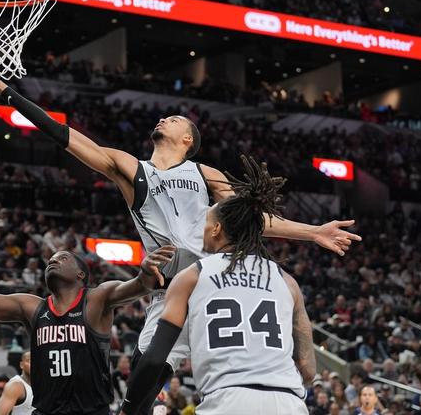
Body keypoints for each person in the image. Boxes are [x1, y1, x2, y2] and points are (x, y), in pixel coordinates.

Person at [0, 65, 361, 414]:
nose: (165, 118)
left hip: (217, 278)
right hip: (174, 286)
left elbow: (251, 219)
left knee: (235, 375)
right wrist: (3, 89)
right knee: (143, 377)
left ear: (188, 140)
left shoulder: (205, 173)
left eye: (176, 119)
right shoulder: (131, 169)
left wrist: (313, 232)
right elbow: (65, 135)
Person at [120, 158, 314, 415]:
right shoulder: (287, 282)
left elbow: (155, 358)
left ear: (216, 229)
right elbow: (307, 368)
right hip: (288, 402)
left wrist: (128, 409)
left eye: (205, 223)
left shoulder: (192, 276)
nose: (201, 230)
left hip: (227, 399)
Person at [0, 196, 175, 415]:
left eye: (63, 258)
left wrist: (145, 272)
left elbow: (138, 285)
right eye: (51, 259)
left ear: (81, 274)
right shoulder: (32, 307)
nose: (53, 260)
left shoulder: (96, 299)